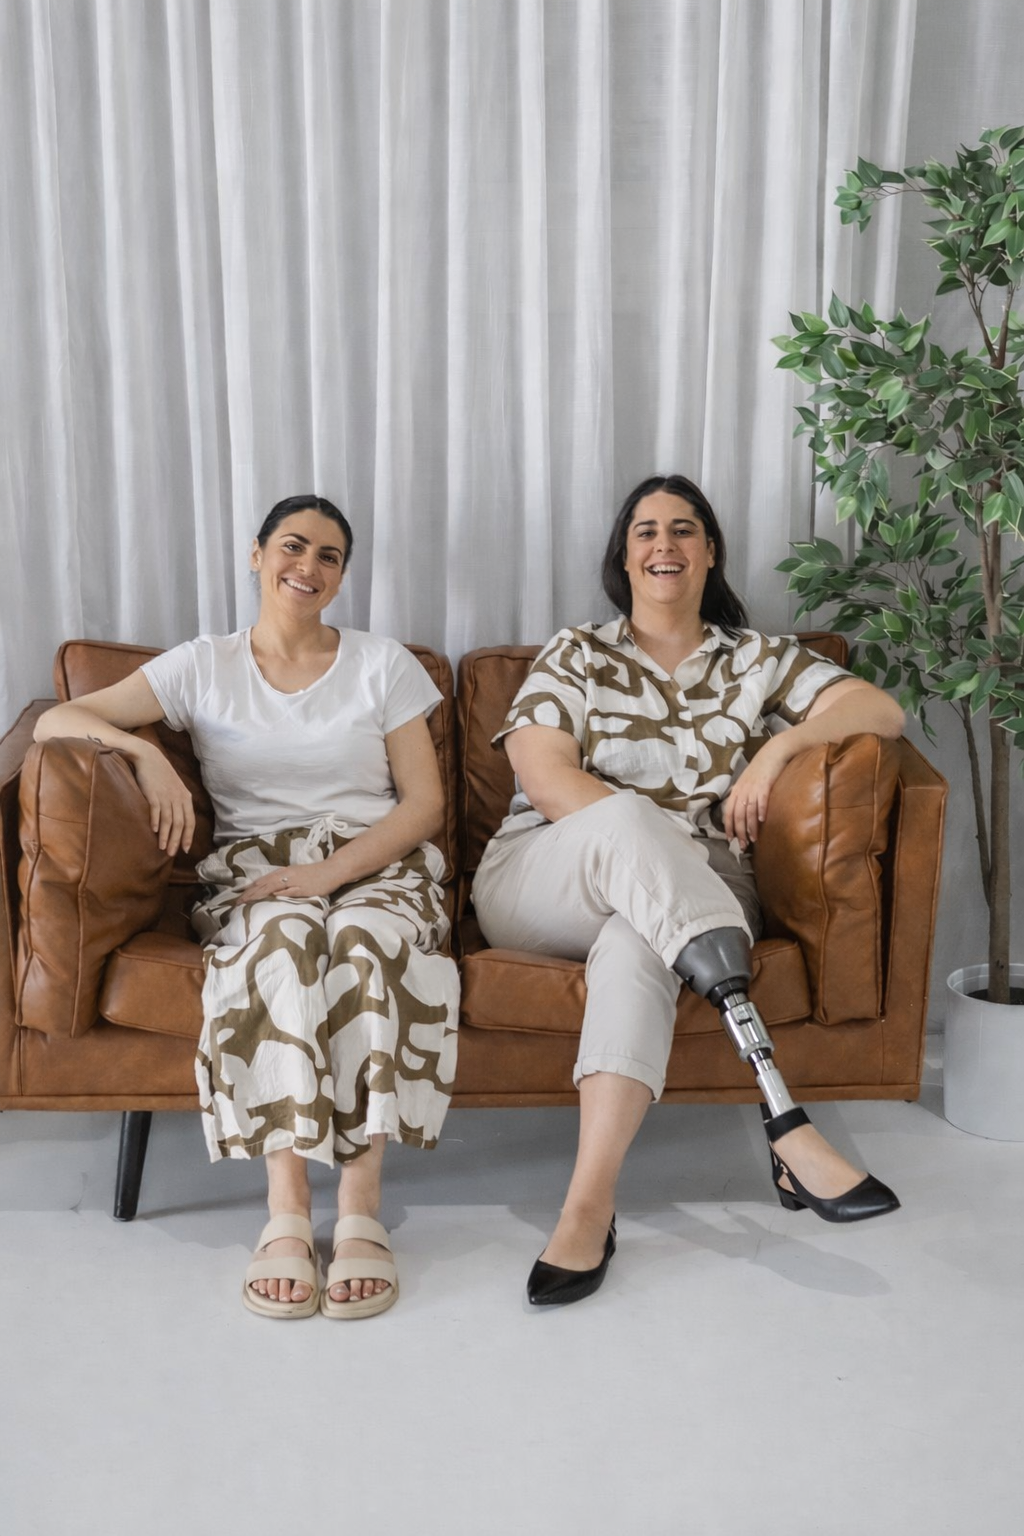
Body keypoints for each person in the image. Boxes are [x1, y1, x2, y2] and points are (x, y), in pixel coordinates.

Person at [472, 473, 905, 1307]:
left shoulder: (756, 658)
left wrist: (775, 753)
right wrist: (657, 833)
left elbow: (878, 711)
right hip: (546, 874)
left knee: (640, 944)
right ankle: (786, 1120)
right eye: (645, 531)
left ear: (711, 553)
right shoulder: (578, 652)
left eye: (683, 529)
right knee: (634, 824)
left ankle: (588, 1206)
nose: (663, 544)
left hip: (681, 903)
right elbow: (548, 780)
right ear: (623, 557)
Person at [34, 494, 459, 1320]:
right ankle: (289, 1209)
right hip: (258, 872)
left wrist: (331, 873)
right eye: (293, 547)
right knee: (283, 949)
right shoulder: (200, 665)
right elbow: (59, 720)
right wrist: (143, 756)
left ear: (342, 576)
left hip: (376, 860)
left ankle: (363, 1207)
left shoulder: (383, 664)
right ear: (257, 555)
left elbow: (424, 807)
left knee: (367, 943)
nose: (309, 567)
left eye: (329, 556)